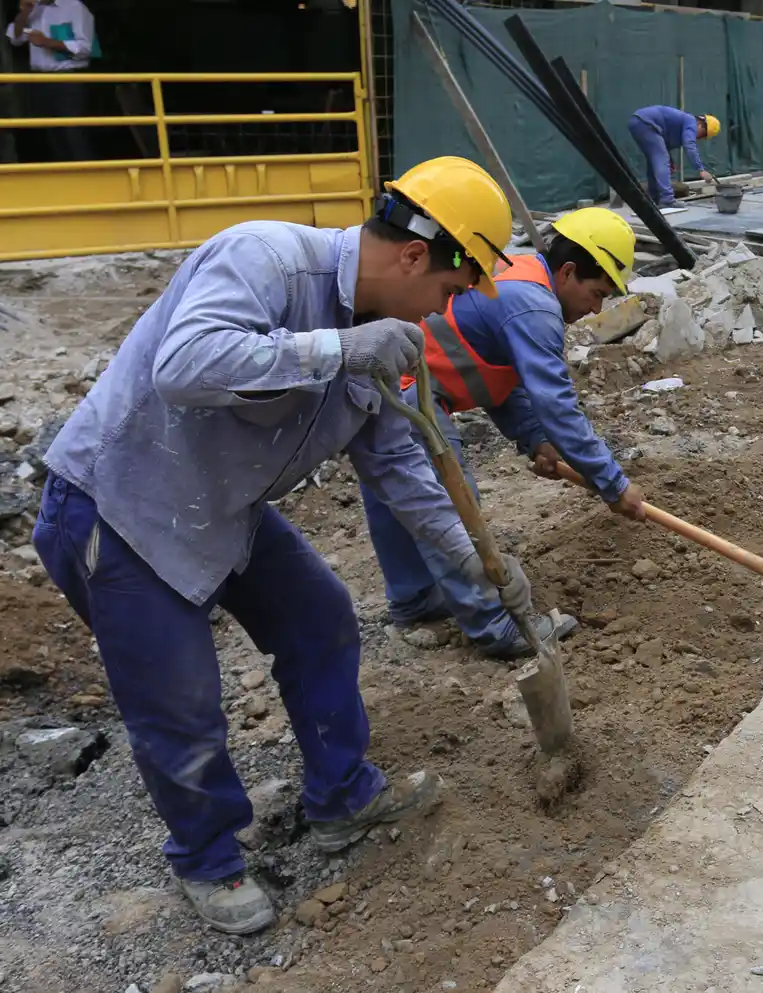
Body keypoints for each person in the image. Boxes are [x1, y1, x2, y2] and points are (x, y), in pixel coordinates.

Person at [32, 156, 532, 936]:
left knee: (321, 617)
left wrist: (477, 558)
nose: (441, 315)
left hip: (219, 504)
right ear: (411, 255)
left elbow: (400, 464)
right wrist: (339, 349)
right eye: (449, 291)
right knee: (183, 700)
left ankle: (343, 798)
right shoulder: (263, 256)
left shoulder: (379, 345)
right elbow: (185, 364)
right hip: (118, 504)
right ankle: (206, 856)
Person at [362, 207, 648, 657]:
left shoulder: (520, 277)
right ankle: (497, 627)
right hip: (407, 387)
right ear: (569, 271)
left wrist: (534, 438)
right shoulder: (534, 305)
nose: (596, 308)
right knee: (452, 501)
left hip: (394, 379)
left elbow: (491, 377)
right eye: (596, 293)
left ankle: (415, 598)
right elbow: (557, 404)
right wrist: (612, 482)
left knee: (398, 490)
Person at [7, 0, 96, 161]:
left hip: (67, 79)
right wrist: (24, 13)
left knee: (73, 135)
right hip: (40, 81)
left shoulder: (75, 7)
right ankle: (64, 181)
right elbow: (15, 37)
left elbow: (85, 47)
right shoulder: (34, 10)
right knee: (52, 137)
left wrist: (47, 42)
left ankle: (87, 178)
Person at [628, 105, 720, 207]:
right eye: (702, 135)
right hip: (647, 123)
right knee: (661, 160)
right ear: (701, 125)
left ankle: (654, 199)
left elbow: (663, 146)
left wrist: (670, 161)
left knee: (654, 162)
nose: (698, 138)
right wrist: (701, 169)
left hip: (638, 122)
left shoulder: (682, 123)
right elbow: (689, 145)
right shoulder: (691, 122)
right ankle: (667, 200)